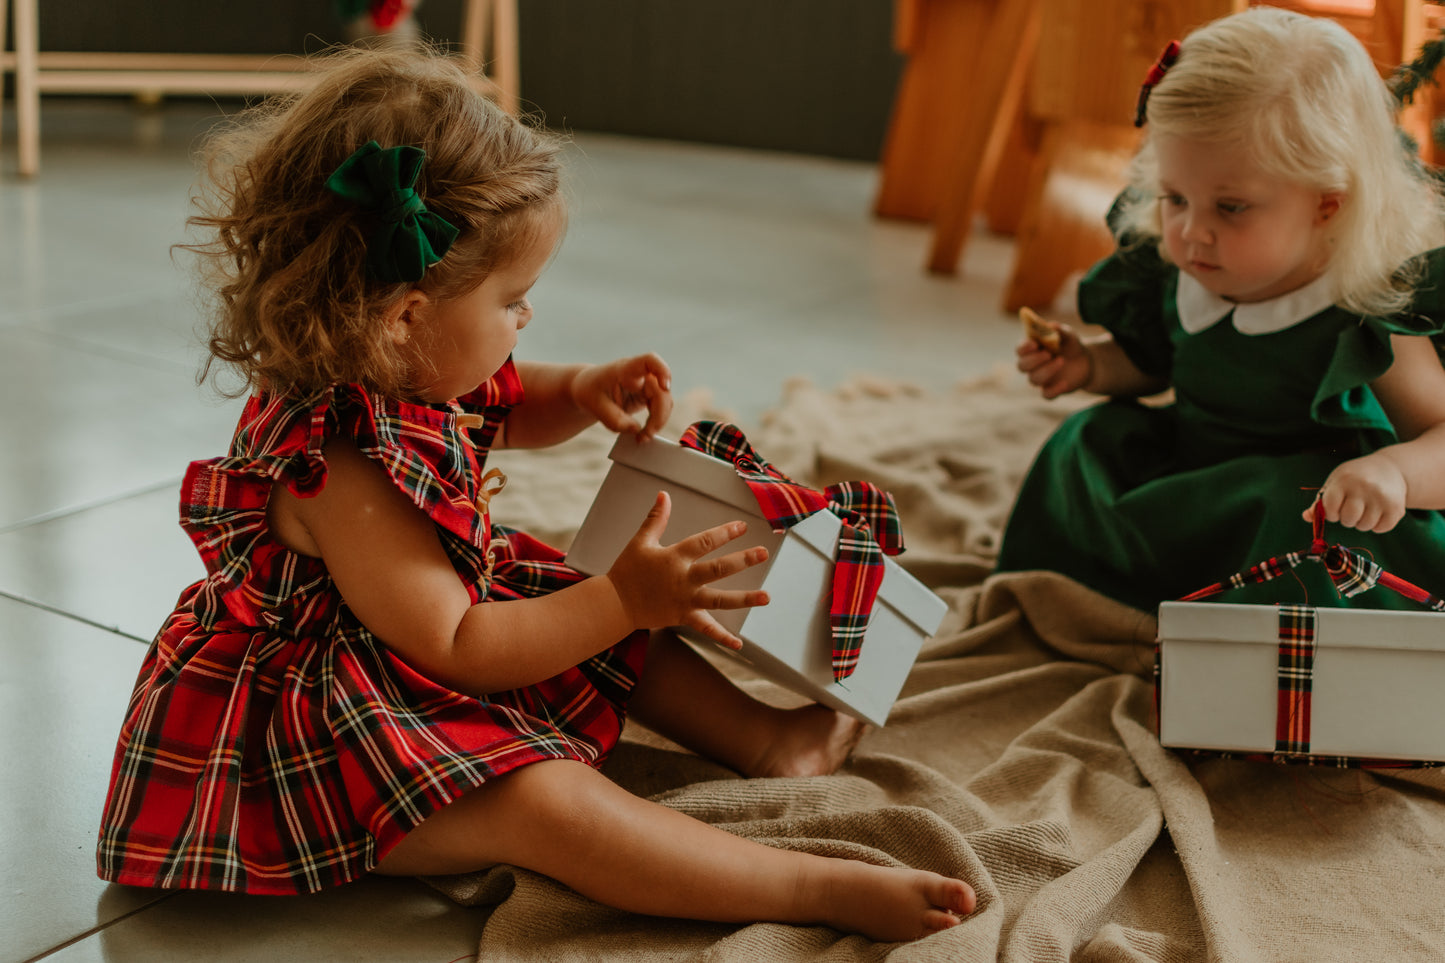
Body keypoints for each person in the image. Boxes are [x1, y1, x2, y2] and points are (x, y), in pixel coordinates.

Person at [95, 47, 975, 940]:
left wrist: (585, 387)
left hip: (407, 647)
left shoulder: (398, 364)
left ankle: (770, 743)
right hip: (320, 745)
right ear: (405, 316)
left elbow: (507, 404)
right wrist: (623, 602)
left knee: (584, 601)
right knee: (550, 800)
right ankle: (803, 889)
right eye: (513, 300)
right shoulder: (343, 470)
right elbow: (465, 646)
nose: (526, 321)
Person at [996, 6, 1445, 612]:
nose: (1192, 232)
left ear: (1328, 206)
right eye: (1176, 198)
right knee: (1089, 441)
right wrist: (1093, 366)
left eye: (1230, 208)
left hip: (1303, 502)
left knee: (1304, 519)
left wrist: (1394, 473)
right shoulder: (1188, 270)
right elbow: (1163, 363)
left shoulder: (1363, 305)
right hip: (1199, 475)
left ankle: (1236, 624)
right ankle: (1081, 593)